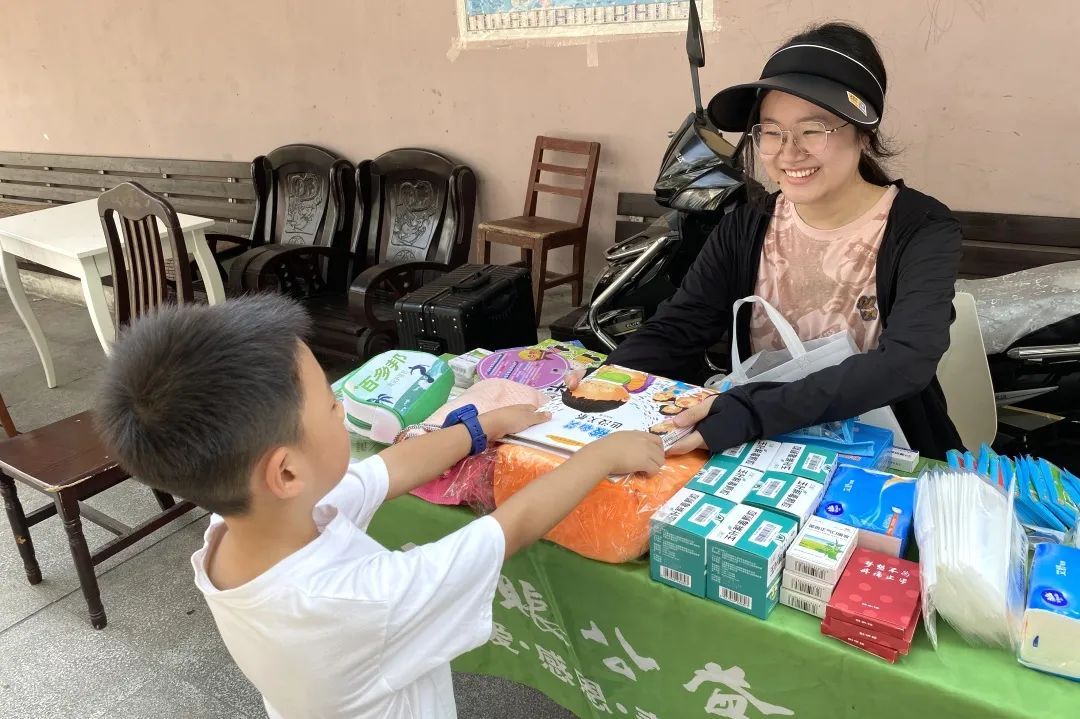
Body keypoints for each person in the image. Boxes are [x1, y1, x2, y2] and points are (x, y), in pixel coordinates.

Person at [95, 295, 664, 719]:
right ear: (286, 471)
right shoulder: (356, 600)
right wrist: (601, 455)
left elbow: (388, 469)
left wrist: (480, 427)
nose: (342, 408)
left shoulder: (242, 524)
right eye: (331, 404)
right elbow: (505, 531)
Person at [606, 22, 964, 459]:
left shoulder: (921, 228)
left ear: (863, 133)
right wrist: (605, 381)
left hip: (888, 455)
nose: (788, 152)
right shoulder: (746, 226)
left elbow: (906, 362)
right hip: (766, 452)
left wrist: (750, 412)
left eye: (812, 130)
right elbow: (680, 327)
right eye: (771, 132)